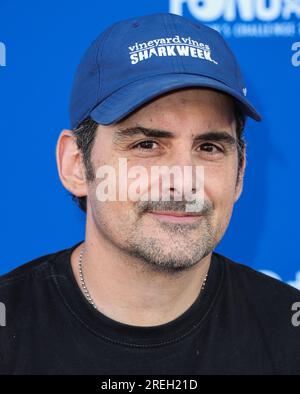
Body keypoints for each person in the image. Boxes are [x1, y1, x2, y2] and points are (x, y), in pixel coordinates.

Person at [0, 12, 299, 375]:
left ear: (240, 173)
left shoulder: (288, 333)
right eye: (147, 144)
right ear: (76, 166)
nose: (183, 180)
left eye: (209, 147)